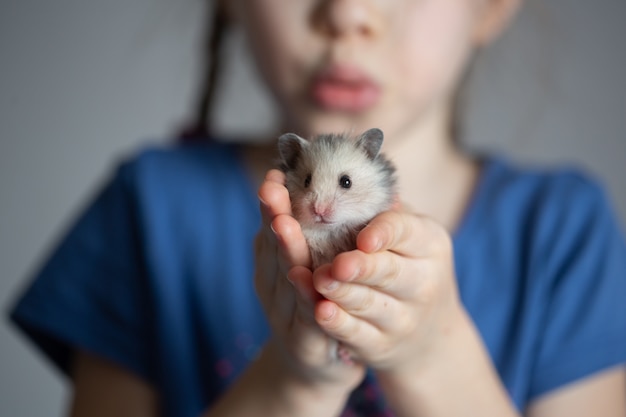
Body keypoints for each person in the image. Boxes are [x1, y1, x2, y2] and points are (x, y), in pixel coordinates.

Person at [9, 0, 626, 416]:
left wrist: (428, 355)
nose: (347, 13)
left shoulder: (566, 229)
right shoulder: (146, 204)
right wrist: (297, 376)